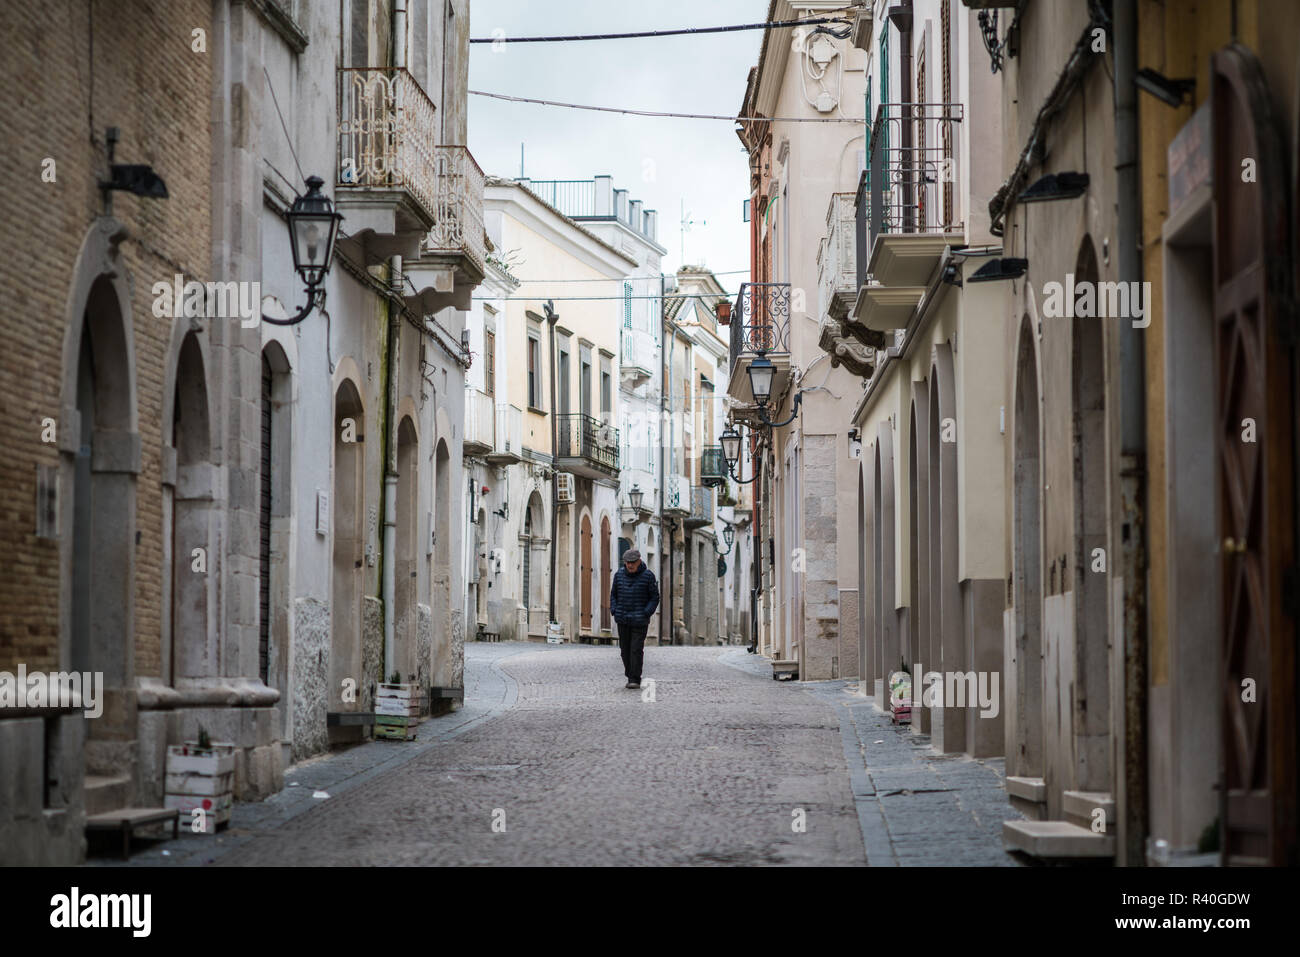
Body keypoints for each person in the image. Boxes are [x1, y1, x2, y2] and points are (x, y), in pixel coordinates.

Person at [609, 548, 660, 689]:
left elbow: (655, 597)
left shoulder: (648, 576)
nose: (630, 565)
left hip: (639, 620)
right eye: (627, 563)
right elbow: (613, 594)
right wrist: (614, 609)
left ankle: (635, 678)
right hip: (623, 618)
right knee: (624, 650)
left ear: (639, 561)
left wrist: (646, 612)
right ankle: (630, 674)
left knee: (636, 649)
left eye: (632, 562)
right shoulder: (619, 575)